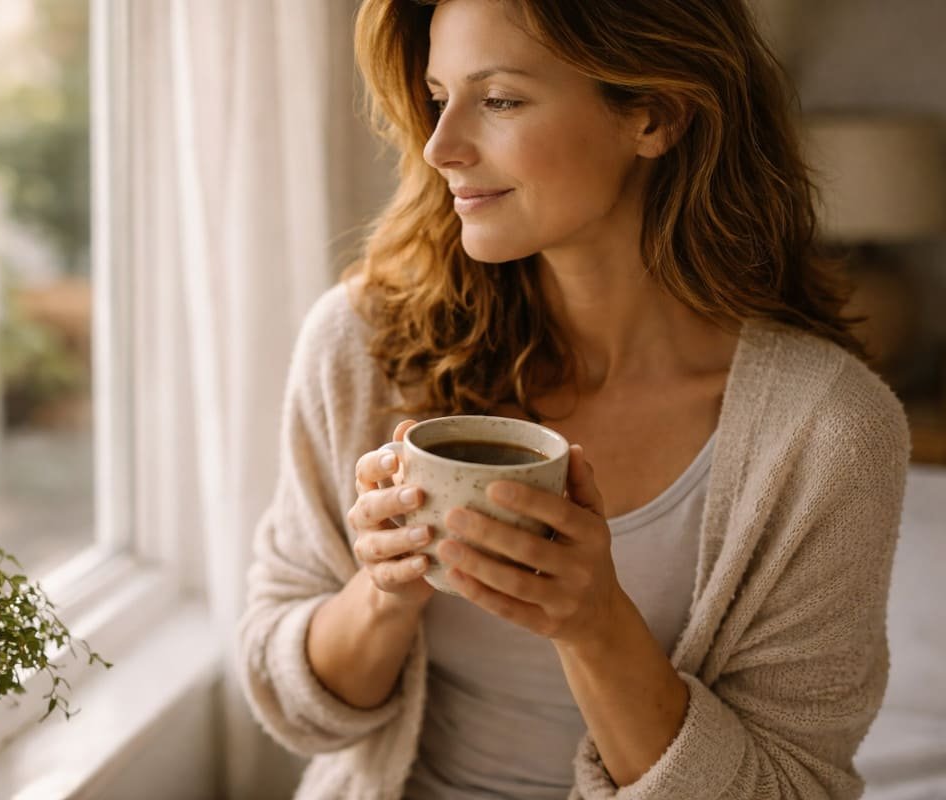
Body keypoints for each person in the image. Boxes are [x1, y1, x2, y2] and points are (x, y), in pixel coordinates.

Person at [236, 0, 910, 797]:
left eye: (499, 100)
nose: (441, 146)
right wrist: (384, 595)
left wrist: (594, 626)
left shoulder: (830, 433)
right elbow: (289, 706)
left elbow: (790, 786)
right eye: (437, 95)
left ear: (655, 113)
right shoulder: (363, 348)